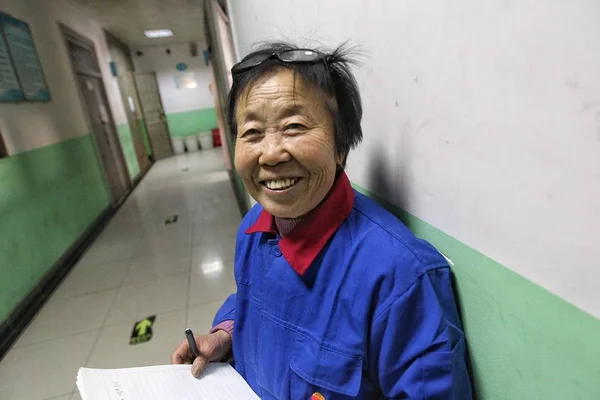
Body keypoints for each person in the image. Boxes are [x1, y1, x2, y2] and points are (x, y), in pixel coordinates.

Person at [172, 42, 473, 399]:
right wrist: (225, 334)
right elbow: (253, 300)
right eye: (252, 132)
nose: (270, 153)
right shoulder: (254, 230)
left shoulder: (399, 276)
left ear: (340, 145)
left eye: (294, 126)